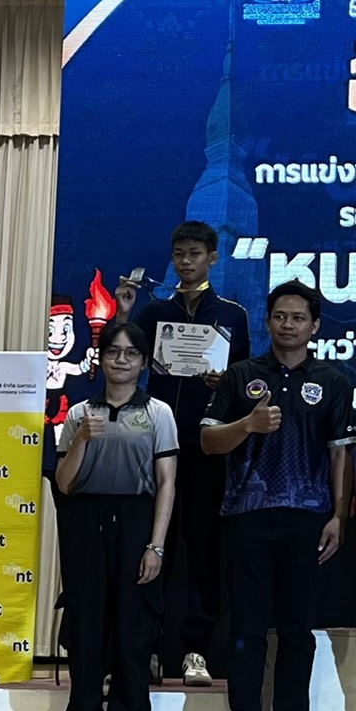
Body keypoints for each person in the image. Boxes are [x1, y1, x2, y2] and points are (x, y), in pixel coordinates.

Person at [200, 281, 356, 711]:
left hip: (307, 516)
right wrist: (247, 424)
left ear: (315, 326)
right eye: (280, 316)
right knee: (247, 624)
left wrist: (339, 516)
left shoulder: (332, 381)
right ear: (267, 321)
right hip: (246, 514)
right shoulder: (240, 375)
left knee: (296, 626)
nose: (289, 325)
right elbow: (208, 441)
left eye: (298, 318)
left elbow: (342, 453)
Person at [115, 220, 250, 687]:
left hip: (208, 450)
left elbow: (246, 385)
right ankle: (148, 648)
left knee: (205, 551)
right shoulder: (154, 312)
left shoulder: (231, 314)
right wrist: (124, 313)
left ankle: (197, 650)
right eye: (179, 255)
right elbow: (122, 362)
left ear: (213, 258)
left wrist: (224, 383)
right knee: (153, 546)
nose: (186, 262)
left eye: (194, 254)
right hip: (156, 446)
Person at [55, 322, 177, 711]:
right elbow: (64, 483)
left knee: (134, 622)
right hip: (87, 522)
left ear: (143, 362)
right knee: (86, 618)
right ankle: (84, 709)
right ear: (101, 359)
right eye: (113, 352)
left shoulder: (158, 413)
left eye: (131, 353)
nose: (121, 360)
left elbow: (166, 482)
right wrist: (81, 439)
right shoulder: (79, 414)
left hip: (137, 520)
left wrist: (156, 546)